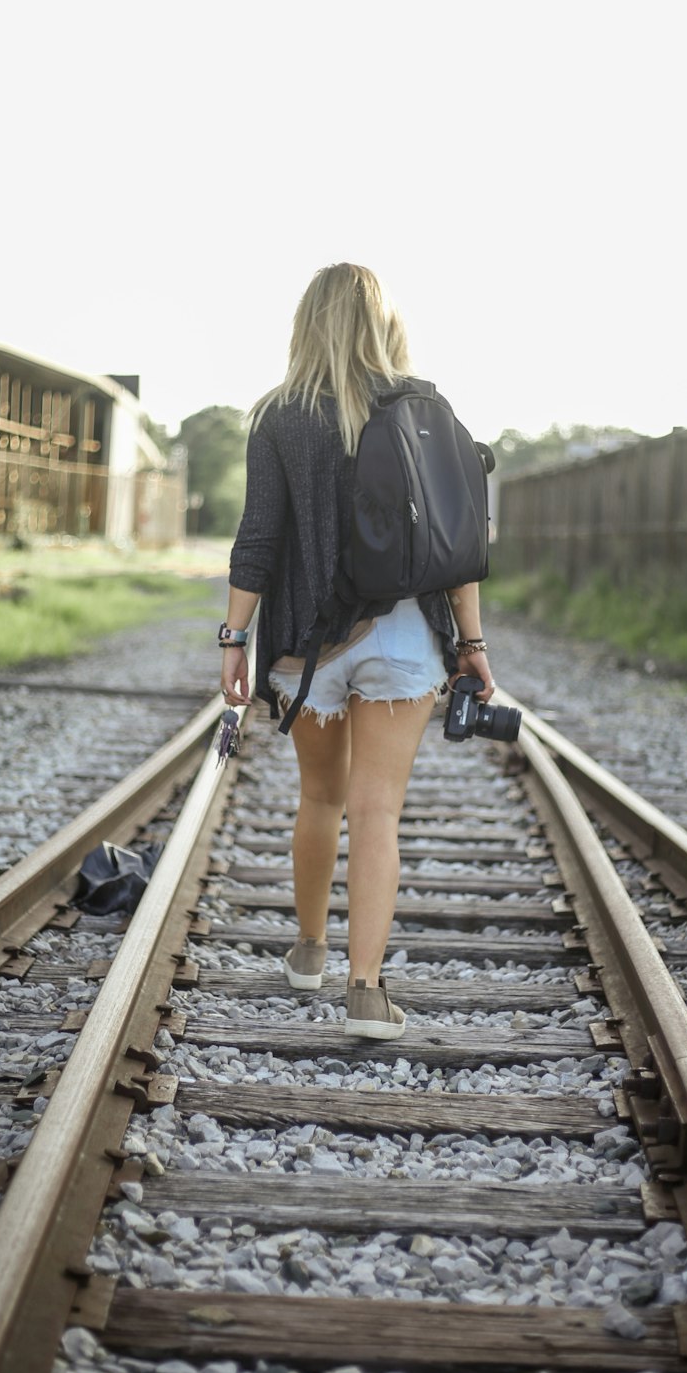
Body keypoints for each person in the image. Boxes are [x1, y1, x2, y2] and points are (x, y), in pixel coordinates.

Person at [220, 262, 493, 1039]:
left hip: (304, 646)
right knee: (378, 812)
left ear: (306, 323)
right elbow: (460, 542)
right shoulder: (426, 405)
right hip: (405, 636)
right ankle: (365, 993)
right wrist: (471, 643)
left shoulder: (277, 416)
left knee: (321, 797)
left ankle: (309, 952)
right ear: (384, 324)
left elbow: (259, 539)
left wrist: (235, 640)